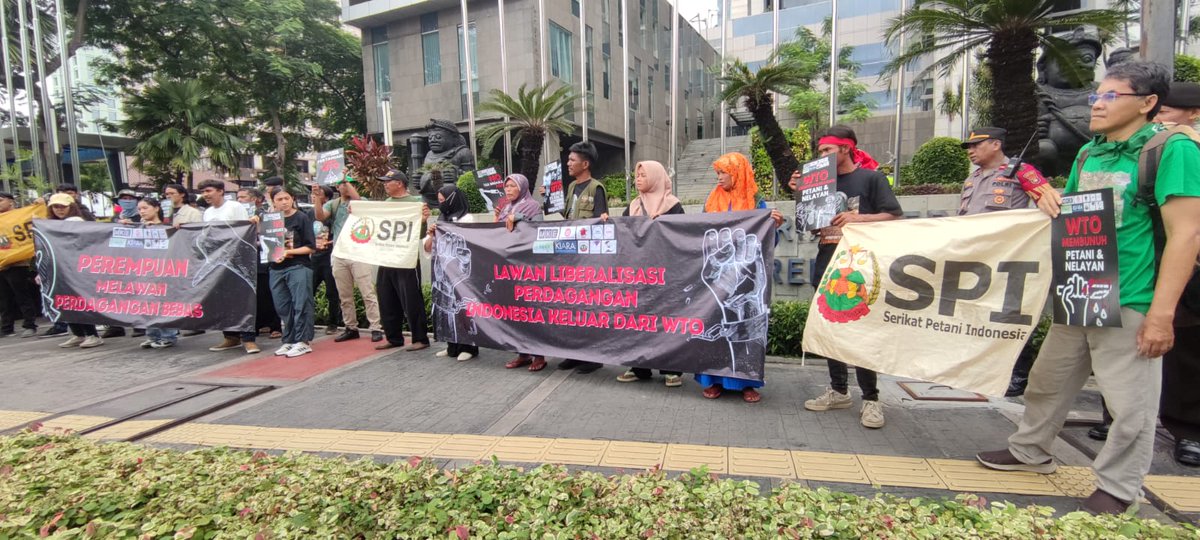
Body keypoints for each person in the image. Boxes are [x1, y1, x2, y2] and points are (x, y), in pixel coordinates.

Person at [976, 61, 1200, 515]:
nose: (1096, 103)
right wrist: (1048, 196)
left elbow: (1187, 234)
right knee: (1048, 381)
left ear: (1148, 103)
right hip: (1080, 288)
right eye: (1098, 94)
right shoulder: (1089, 153)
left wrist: (1161, 314)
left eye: (1111, 96)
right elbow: (1075, 216)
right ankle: (1029, 451)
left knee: (1129, 402)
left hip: (1132, 295)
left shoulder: (1170, 149)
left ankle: (1119, 489)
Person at [788, 126, 902, 426]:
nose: (821, 156)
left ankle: (871, 398)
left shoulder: (871, 178)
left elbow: (893, 214)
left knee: (861, 331)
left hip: (861, 266)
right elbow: (812, 227)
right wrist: (801, 196)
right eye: (820, 151)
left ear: (846, 148)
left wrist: (857, 217)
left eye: (827, 151)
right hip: (827, 261)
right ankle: (839, 390)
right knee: (831, 329)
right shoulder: (820, 183)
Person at [956, 127, 1056, 397]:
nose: (971, 151)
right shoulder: (972, 179)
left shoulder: (1021, 171)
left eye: (976, 145)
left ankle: (1018, 375)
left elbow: (1050, 202)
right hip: (976, 259)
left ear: (996, 144)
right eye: (969, 147)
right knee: (978, 315)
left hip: (1011, 259)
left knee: (1011, 317)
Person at [700, 152, 785, 403]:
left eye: (723, 173)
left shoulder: (755, 201)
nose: (719, 178)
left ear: (737, 173)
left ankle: (747, 383)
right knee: (716, 316)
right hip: (719, 275)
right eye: (717, 173)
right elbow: (699, 232)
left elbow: (766, 240)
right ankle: (713, 380)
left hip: (746, 273)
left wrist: (773, 225)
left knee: (748, 316)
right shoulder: (711, 200)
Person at [1150, 81, 1200, 467]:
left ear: (1194, 113)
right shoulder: (1155, 148)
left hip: (1190, 262)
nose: (1160, 116)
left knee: (1188, 348)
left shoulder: (1185, 148)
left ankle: (1189, 431)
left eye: (1167, 111)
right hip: (1155, 258)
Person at [615, 161, 685, 387]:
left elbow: (682, 237)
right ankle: (639, 367)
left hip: (665, 275)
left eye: (643, 175)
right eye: (637, 175)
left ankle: (671, 369)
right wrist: (608, 223)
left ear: (655, 177)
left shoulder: (673, 205)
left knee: (666, 321)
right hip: (639, 276)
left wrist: (661, 226)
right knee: (639, 321)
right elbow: (623, 233)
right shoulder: (634, 206)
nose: (638, 179)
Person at [555, 141, 606, 374]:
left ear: (585, 164)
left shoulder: (596, 188)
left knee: (588, 310)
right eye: (568, 160)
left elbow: (600, 224)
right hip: (569, 258)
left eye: (572, 160)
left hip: (588, 261)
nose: (568, 163)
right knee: (570, 310)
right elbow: (568, 219)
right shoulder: (570, 188)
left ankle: (592, 357)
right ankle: (573, 354)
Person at [312, 177, 384, 343]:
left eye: (345, 184)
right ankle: (351, 327)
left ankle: (375, 327)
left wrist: (347, 181)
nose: (342, 186)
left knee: (367, 292)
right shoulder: (334, 204)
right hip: (339, 252)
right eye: (340, 184)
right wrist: (317, 197)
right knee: (344, 295)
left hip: (359, 252)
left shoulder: (361, 200)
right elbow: (320, 216)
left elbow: (358, 201)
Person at [199, 179, 261, 354]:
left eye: (209, 190)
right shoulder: (208, 212)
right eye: (203, 192)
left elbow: (244, 231)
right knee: (223, 300)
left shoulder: (234, 207)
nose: (206, 194)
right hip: (218, 262)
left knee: (244, 299)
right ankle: (230, 337)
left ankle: (249, 339)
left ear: (220, 191)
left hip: (238, 260)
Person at [374, 170, 431, 352]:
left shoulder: (416, 203)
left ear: (399, 183)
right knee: (386, 297)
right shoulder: (386, 204)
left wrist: (422, 221)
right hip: (387, 257)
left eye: (387, 181)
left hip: (407, 259)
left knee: (411, 299)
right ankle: (393, 337)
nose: (385, 184)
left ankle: (420, 338)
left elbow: (420, 235)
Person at [425, 184, 481, 361]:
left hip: (461, 274)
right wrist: (432, 234)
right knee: (444, 310)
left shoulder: (467, 218)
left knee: (461, 310)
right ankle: (451, 346)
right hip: (442, 273)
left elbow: (471, 243)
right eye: (439, 201)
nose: (441, 204)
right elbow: (427, 247)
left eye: (443, 201)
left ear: (453, 200)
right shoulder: (441, 219)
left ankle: (469, 347)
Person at [499, 174, 549, 372]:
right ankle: (522, 353)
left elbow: (539, 230)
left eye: (512, 186)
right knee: (516, 312)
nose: (508, 190)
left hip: (529, 267)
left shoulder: (532, 206)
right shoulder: (504, 208)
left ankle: (539, 355)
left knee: (532, 311)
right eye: (506, 186)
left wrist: (519, 218)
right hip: (510, 267)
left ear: (522, 187)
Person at [47, 194, 103, 348]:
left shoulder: (76, 222)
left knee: (79, 301)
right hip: (59, 267)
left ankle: (92, 334)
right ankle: (78, 334)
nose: (59, 210)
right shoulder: (49, 225)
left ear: (71, 207)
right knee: (64, 301)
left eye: (62, 206)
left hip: (76, 267)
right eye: (55, 207)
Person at [267, 188, 317, 358]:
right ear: (273, 201)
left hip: (298, 266)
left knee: (301, 304)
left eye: (286, 198)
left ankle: (303, 341)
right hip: (275, 268)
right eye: (279, 199)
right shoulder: (269, 220)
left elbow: (311, 246)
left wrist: (288, 253)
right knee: (283, 306)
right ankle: (289, 340)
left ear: (292, 199)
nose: (283, 202)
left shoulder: (301, 218)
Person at [129, 198, 179, 349]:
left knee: (163, 304)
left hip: (163, 271)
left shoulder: (168, 226)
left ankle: (168, 335)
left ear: (156, 208)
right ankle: (152, 335)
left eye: (145, 208)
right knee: (147, 305)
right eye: (139, 209)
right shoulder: (138, 228)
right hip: (143, 271)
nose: (142, 211)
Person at [239, 187, 282, 340]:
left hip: (263, 258)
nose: (240, 200)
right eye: (238, 197)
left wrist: (257, 228)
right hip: (245, 260)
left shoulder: (266, 214)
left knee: (267, 293)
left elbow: (273, 235)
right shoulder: (239, 215)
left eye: (243, 197)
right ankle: (258, 324)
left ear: (255, 199)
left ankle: (275, 326)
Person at [0, 193, 40, 338]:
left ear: (11, 202)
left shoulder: (22, 216)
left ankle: (30, 325)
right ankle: (6, 328)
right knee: (4, 298)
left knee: (22, 295)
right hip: (2, 265)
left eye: (1, 200)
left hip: (18, 264)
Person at [311, 184, 342, 335]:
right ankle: (308, 321)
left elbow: (337, 233)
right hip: (313, 258)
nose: (315, 195)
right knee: (308, 290)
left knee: (332, 292)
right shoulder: (308, 214)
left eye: (319, 194)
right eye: (314, 194)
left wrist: (328, 242)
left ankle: (333, 323)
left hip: (329, 256)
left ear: (327, 197)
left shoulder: (332, 212)